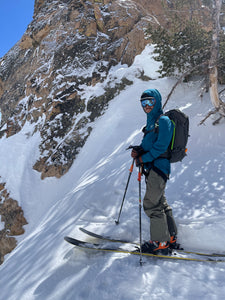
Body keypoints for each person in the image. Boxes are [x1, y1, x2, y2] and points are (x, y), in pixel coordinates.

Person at [131, 88, 178, 255]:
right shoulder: (151, 122)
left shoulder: (163, 120)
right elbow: (150, 144)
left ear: (157, 101)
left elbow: (161, 147)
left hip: (159, 168)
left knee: (151, 204)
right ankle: (170, 237)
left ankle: (160, 242)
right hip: (154, 169)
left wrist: (143, 158)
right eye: (144, 103)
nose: (147, 105)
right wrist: (139, 150)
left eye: (150, 101)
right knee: (160, 202)